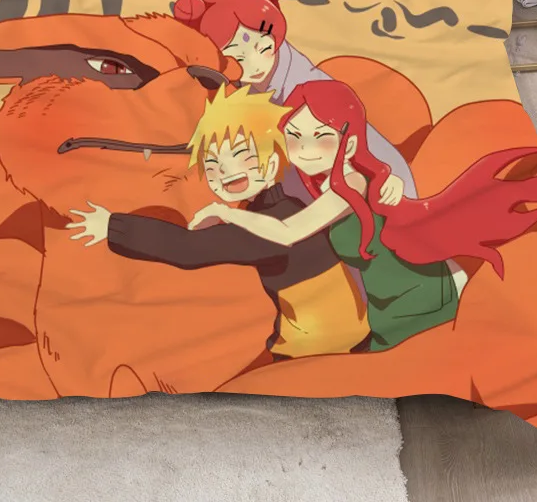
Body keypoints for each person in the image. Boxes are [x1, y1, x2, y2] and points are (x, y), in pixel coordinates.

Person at [188, 80, 537, 351]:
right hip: (387, 299)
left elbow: (288, 231)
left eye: (321, 137)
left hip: (414, 295)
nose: (305, 150)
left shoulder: (349, 183)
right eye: (295, 137)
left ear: (349, 143)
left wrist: (225, 213)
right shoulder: (328, 180)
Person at [65, 86, 401, 358]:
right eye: (213, 165)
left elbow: (189, 249)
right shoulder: (285, 205)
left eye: (243, 157)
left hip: (319, 350)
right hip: (329, 338)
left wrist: (112, 226)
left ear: (272, 164)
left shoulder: (275, 219)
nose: (226, 173)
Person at [172, 0, 417, 203]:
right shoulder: (227, 89)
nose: (255, 66)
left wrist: (390, 179)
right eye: (238, 59)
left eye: (264, 48)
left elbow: (364, 142)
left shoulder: (311, 88)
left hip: (346, 198)